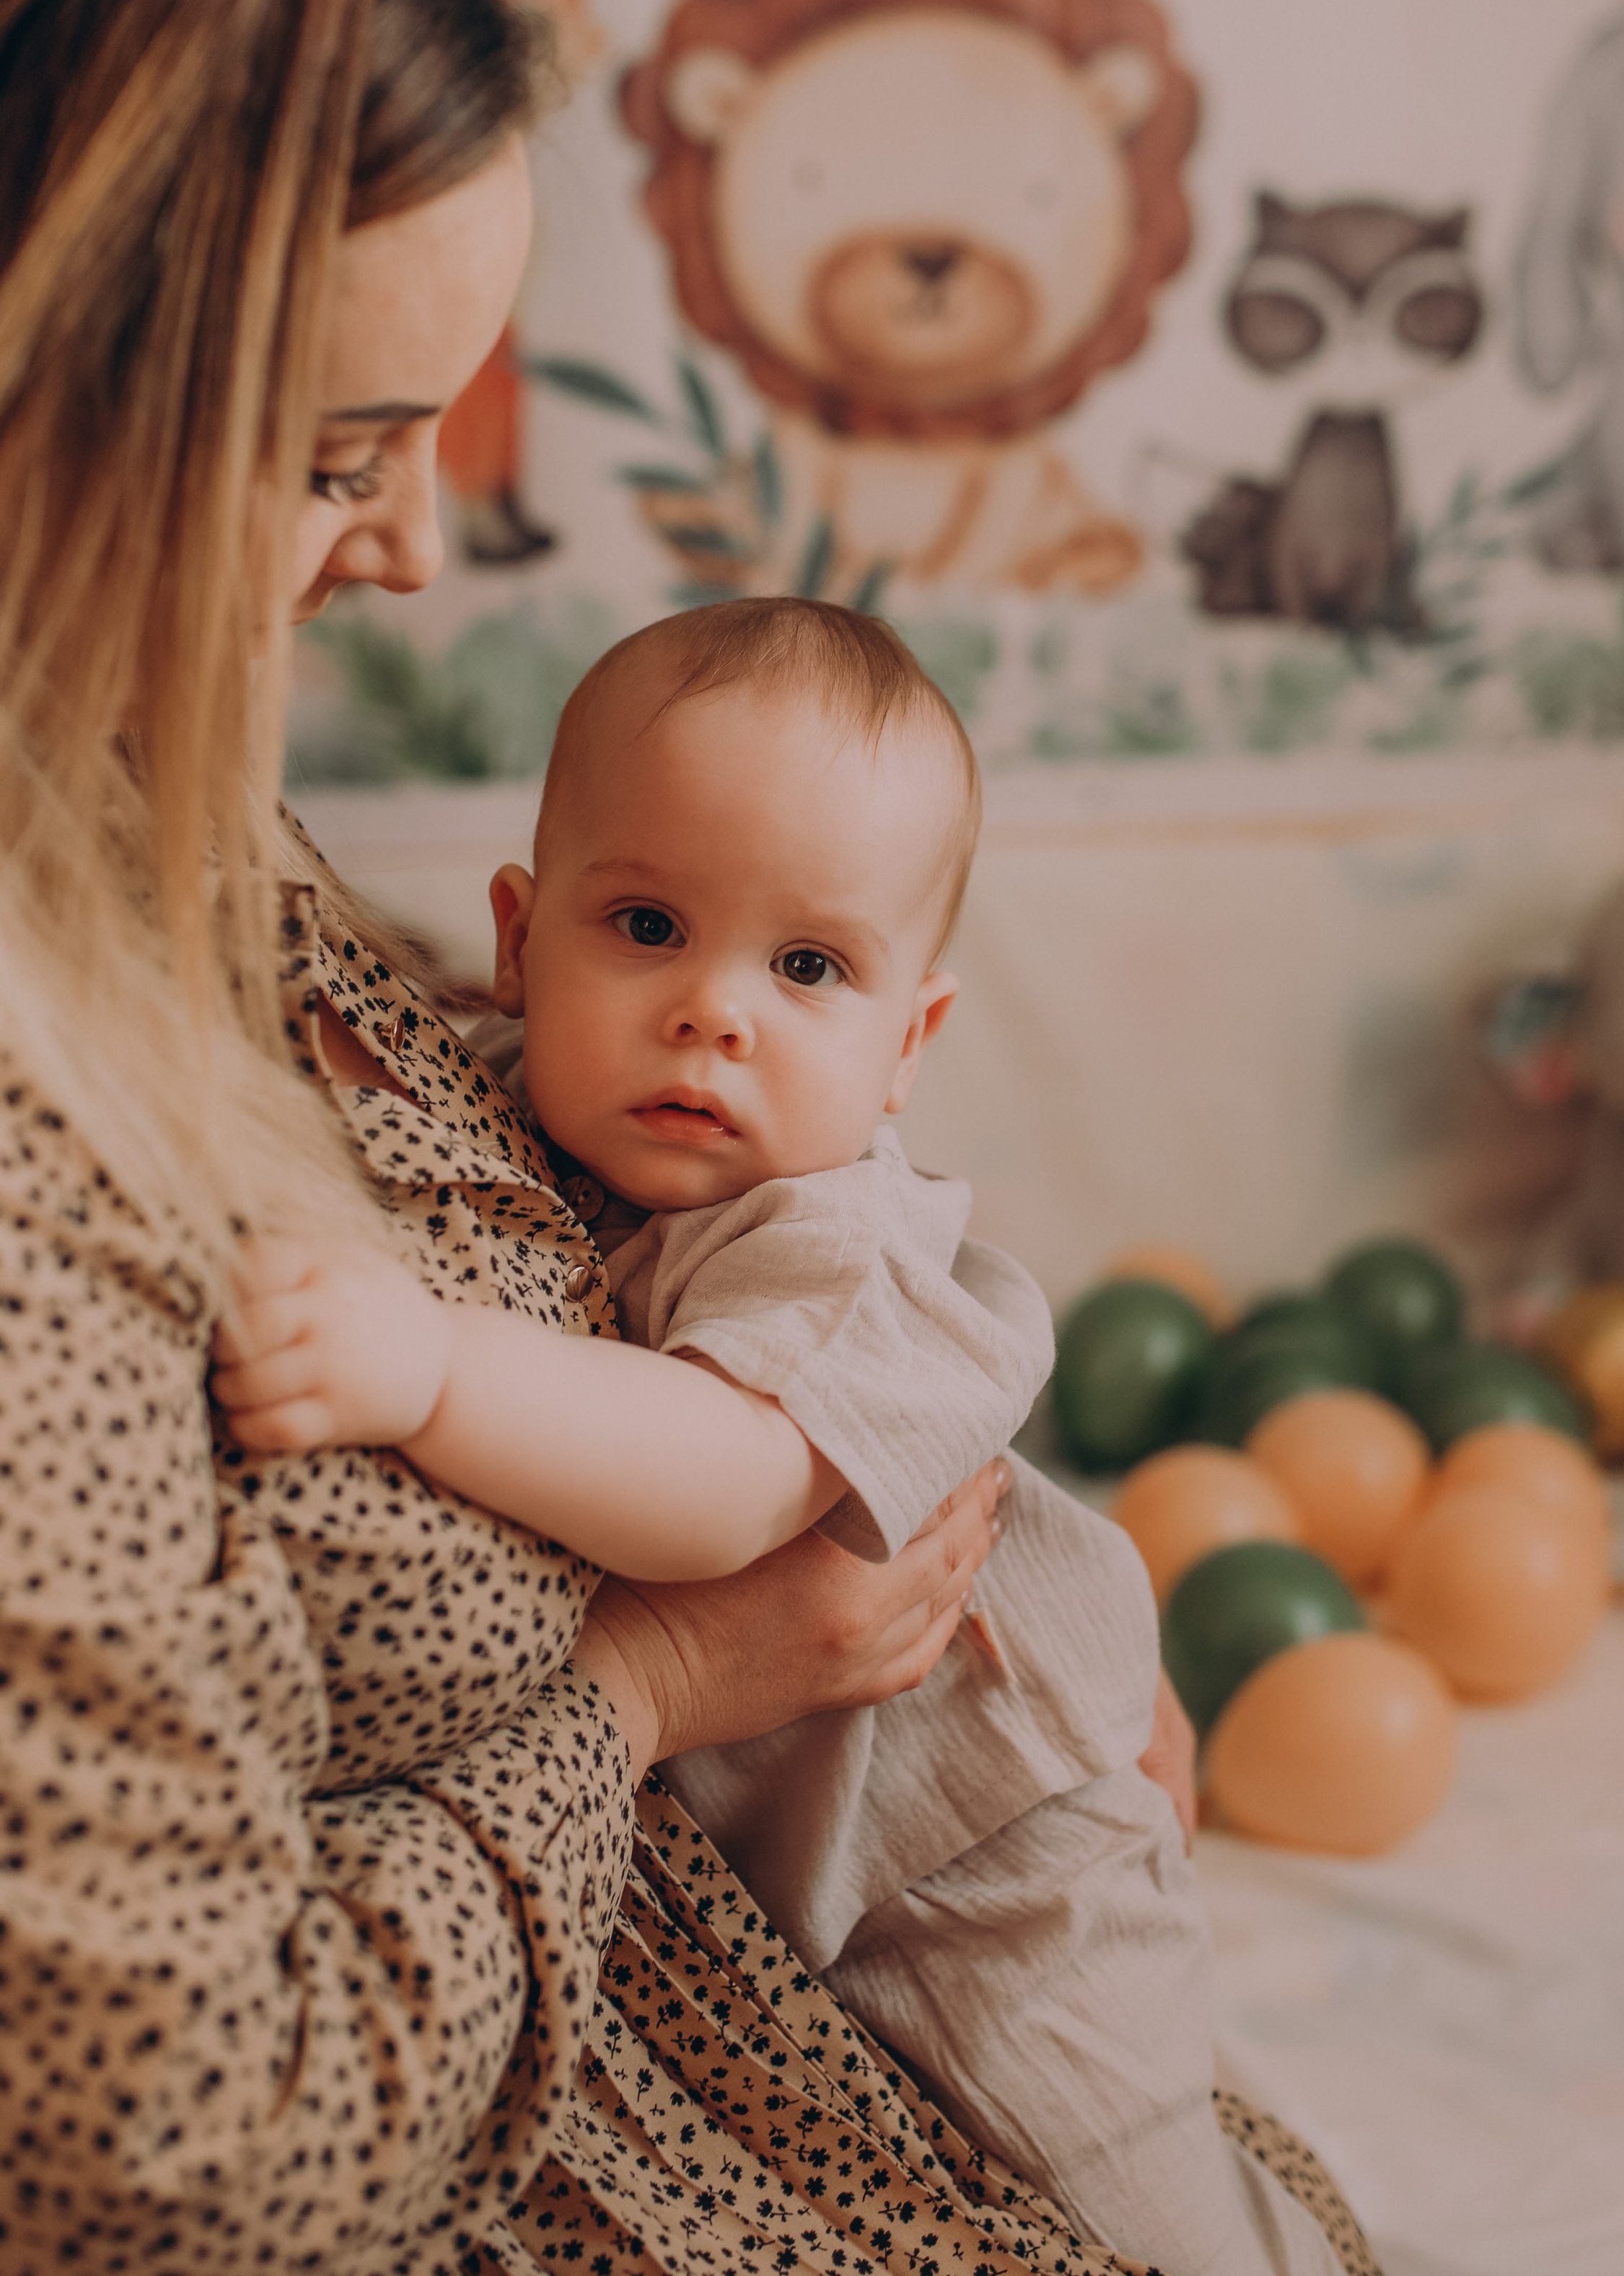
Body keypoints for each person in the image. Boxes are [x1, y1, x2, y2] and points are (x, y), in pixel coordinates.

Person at [0, 0, 1379, 2276]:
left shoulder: (100, 778)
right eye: (335, 452)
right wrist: (667, 1684)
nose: (415, 548)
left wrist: (1029, 1619)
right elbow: (160, 2183)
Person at [214, 596, 1351, 2276]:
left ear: (908, 1043)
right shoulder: (489, 1092)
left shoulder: (829, 1238)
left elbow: (725, 1484)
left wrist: (428, 1367)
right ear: (518, 941)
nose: (713, 1011)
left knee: (1135, 2206)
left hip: (991, 1869)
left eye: (805, 965)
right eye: (648, 923)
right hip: (799, 1889)